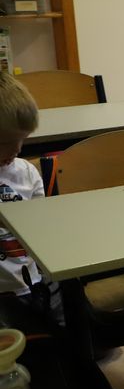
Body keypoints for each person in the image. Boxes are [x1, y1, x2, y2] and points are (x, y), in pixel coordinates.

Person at [0, 72, 51, 311]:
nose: (17, 150)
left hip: (29, 284)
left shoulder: (27, 173)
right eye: (5, 143)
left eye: (23, 140)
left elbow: (42, 228)